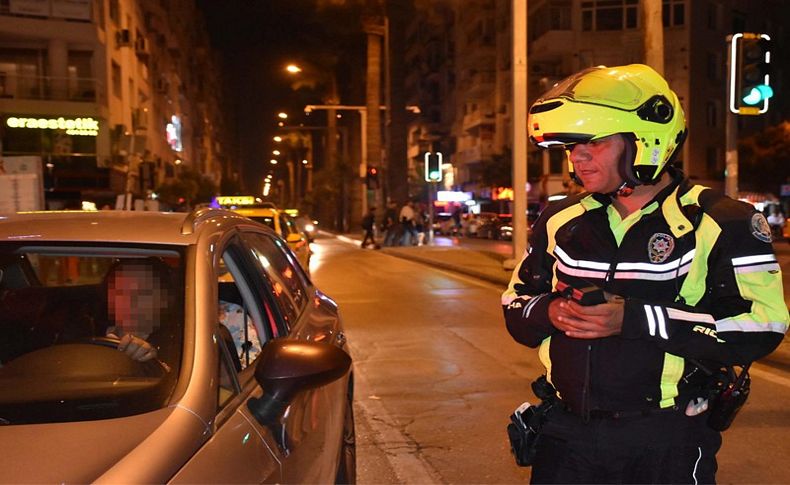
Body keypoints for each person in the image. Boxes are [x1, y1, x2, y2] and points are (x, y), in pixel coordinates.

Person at [501, 64, 788, 484]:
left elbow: (764, 326)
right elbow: (515, 302)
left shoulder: (723, 221)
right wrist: (550, 312)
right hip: (565, 437)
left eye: (593, 143)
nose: (577, 158)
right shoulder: (560, 218)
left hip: (666, 438)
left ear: (645, 142)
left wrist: (635, 318)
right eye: (571, 147)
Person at [104, 258, 176, 363]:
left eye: (142, 293)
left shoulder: (178, 347)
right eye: (121, 292)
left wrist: (152, 361)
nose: (129, 301)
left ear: (164, 300)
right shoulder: (89, 333)